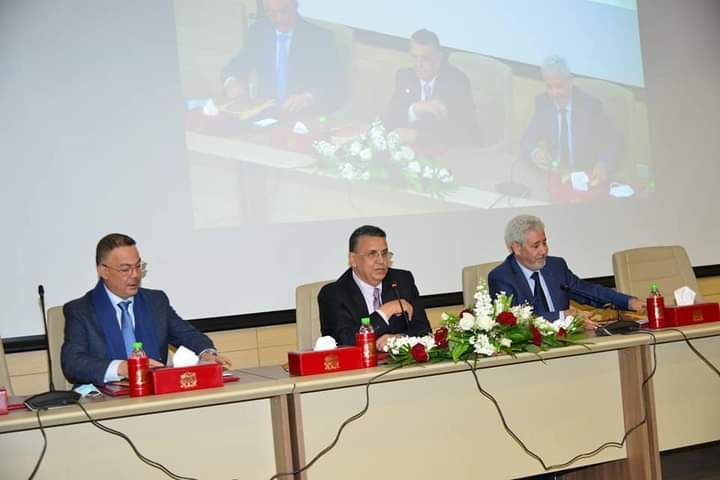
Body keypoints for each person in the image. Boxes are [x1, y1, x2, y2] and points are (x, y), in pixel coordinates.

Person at [61, 234, 231, 386]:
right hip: (107, 398)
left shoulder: (155, 301)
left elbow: (188, 335)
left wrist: (206, 353)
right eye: (125, 269)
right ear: (103, 271)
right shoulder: (81, 310)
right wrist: (124, 368)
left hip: (155, 393)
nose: (135, 275)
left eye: (138, 266)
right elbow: (73, 363)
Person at [488, 215, 644, 325]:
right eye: (536, 246)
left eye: (544, 243)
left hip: (569, 341)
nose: (544, 251)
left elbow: (588, 291)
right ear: (516, 248)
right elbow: (514, 320)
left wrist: (628, 302)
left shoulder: (556, 266)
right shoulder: (502, 277)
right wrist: (563, 316)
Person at [318, 225, 431, 349]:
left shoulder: (402, 281)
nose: (381, 261)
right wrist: (384, 312)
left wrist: (400, 339)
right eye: (372, 254)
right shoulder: (333, 294)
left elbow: (424, 330)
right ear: (353, 259)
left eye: (384, 253)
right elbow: (344, 341)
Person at [221, 0, 343, 114]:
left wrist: (309, 97)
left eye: (284, 12)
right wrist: (231, 82)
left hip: (303, 115)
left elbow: (335, 82)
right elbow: (235, 66)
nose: (279, 19)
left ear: (295, 6)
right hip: (265, 112)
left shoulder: (319, 38)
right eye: (272, 13)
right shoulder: (258, 32)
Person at [521, 55, 623, 186]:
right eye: (549, 87)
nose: (554, 93)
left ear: (570, 82)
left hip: (585, 176)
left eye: (559, 86)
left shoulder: (590, 106)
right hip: (555, 174)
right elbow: (527, 139)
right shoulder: (543, 103)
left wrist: (603, 162)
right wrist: (534, 153)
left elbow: (613, 140)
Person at [383, 29, 478, 150]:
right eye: (414, 57)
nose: (418, 64)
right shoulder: (404, 76)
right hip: (410, 151)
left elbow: (462, 133)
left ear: (439, 58)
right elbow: (390, 119)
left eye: (425, 58)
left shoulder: (457, 83)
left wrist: (417, 136)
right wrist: (415, 109)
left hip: (450, 154)